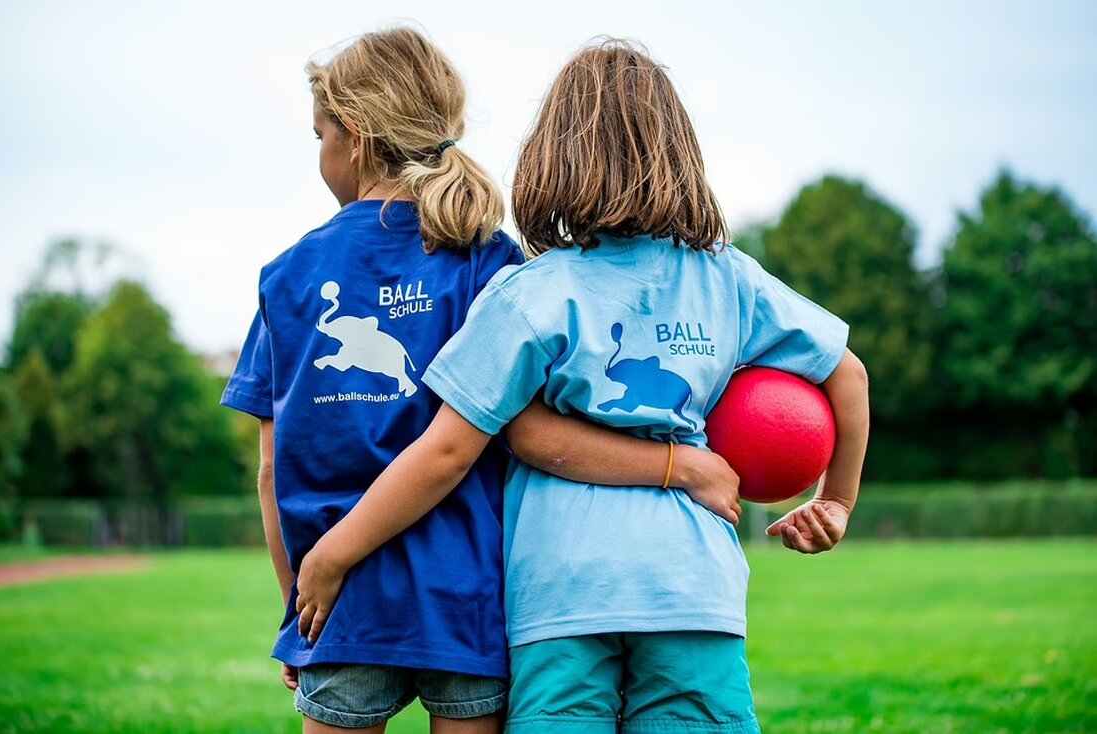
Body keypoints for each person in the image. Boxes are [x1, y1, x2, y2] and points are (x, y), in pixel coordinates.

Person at [295, 39, 870, 734]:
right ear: (678, 154)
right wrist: (834, 501)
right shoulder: (727, 279)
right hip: (692, 591)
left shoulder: (530, 293)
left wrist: (332, 551)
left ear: (550, 157)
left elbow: (454, 447)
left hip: (561, 598)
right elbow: (848, 373)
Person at [223, 28, 743, 734]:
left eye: (319, 135)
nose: (320, 154)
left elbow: (268, 471)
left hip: (340, 604)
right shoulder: (490, 261)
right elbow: (521, 432)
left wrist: (302, 602)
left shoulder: (285, 278)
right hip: (466, 605)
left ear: (353, 136)